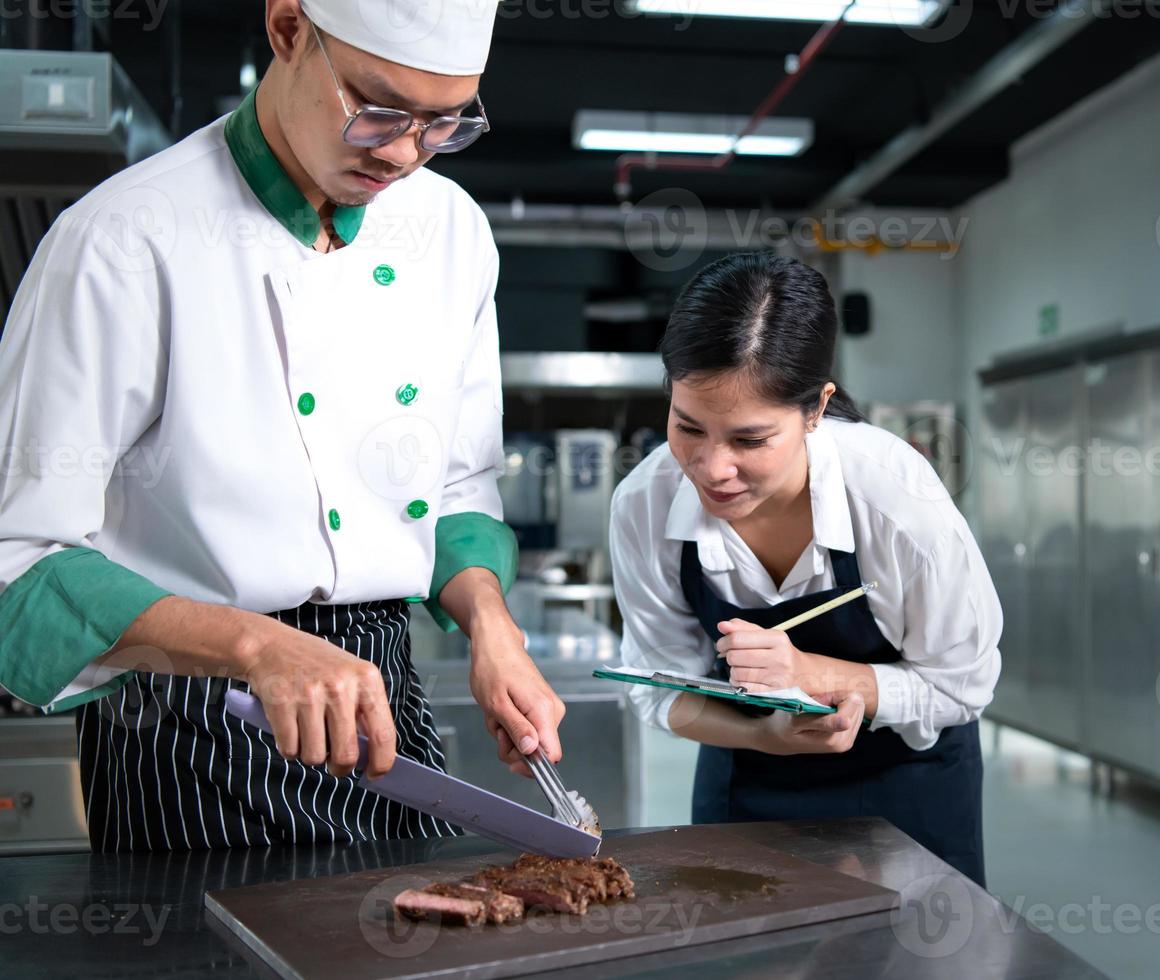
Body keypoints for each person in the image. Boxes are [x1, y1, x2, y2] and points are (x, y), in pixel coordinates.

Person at [0, 0, 565, 851]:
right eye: (378, 109)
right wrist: (255, 647)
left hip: (385, 700)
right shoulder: (122, 241)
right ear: (289, 29)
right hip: (191, 720)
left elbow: (454, 484)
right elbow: (19, 561)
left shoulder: (450, 232)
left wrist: (492, 628)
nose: (406, 153)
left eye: (445, 124)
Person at [609, 251, 1002, 885]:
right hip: (746, 777)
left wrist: (811, 672)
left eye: (749, 440)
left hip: (906, 782)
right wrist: (768, 736)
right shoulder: (645, 504)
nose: (712, 468)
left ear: (816, 410)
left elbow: (964, 684)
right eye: (688, 427)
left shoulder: (893, 496)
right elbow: (658, 687)